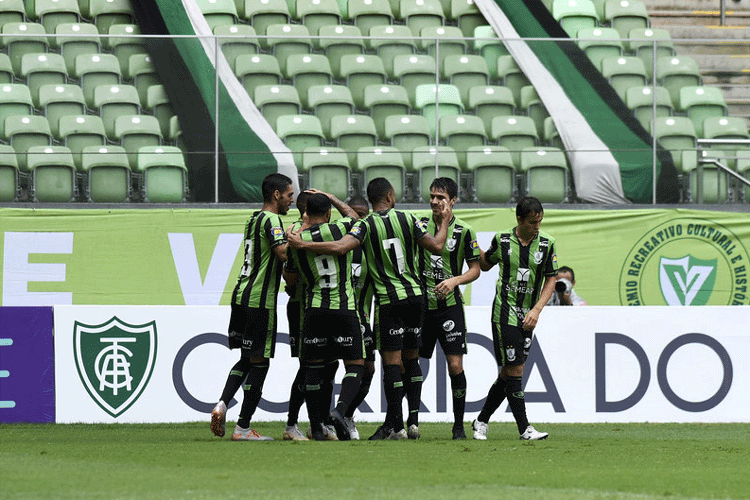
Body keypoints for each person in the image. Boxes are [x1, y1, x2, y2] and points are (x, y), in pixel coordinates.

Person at [287, 177, 451, 440]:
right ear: (391, 195)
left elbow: (340, 248)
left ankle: (391, 425)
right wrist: (443, 222)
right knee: (410, 359)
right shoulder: (408, 219)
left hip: (387, 301)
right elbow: (437, 246)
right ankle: (410, 422)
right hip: (416, 297)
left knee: (390, 365)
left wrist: (303, 244)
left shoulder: (364, 225)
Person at [210, 173, 294, 441]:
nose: (292, 200)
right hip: (260, 301)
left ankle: (222, 404)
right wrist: (302, 241)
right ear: (277, 195)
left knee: (247, 357)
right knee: (261, 363)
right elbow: (282, 253)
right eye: (290, 195)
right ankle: (243, 428)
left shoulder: (252, 219)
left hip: (241, 296)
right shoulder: (272, 220)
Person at [472, 196, 558, 441]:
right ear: (519, 219)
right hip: (504, 313)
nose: (537, 226)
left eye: (540, 221)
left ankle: (481, 420)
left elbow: (551, 278)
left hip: (529, 316)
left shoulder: (547, 244)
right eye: (533, 222)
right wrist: (471, 243)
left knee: (508, 374)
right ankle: (524, 428)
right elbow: (486, 265)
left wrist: (537, 310)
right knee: (516, 369)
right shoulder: (503, 240)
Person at [283, 192, 363, 440]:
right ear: (328, 213)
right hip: (344, 308)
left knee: (313, 370)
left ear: (305, 213)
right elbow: (353, 215)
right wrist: (333, 197)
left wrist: (301, 243)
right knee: (355, 366)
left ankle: (316, 426)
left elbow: (290, 277)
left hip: (314, 309)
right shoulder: (340, 228)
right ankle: (339, 411)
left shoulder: (296, 240)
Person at [416, 178, 481, 440]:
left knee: (455, 366)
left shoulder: (466, 231)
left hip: (449, 308)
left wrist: (455, 280)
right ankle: (410, 422)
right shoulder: (419, 225)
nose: (434, 201)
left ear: (453, 201)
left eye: (440, 197)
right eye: (432, 196)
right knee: (411, 364)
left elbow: (475, 269)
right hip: (421, 306)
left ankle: (458, 426)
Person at [342, 195, 375, 440]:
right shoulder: (336, 243)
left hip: (363, 319)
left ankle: (346, 415)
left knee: (369, 370)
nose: (357, 221)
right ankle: (318, 421)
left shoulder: (373, 247)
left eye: (362, 216)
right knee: (327, 368)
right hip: (337, 313)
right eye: (353, 215)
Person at [282, 191, 312, 441]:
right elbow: (288, 274)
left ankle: (317, 423)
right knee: (307, 366)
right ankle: (292, 424)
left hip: (314, 306)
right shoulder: (294, 232)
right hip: (302, 306)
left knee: (322, 366)